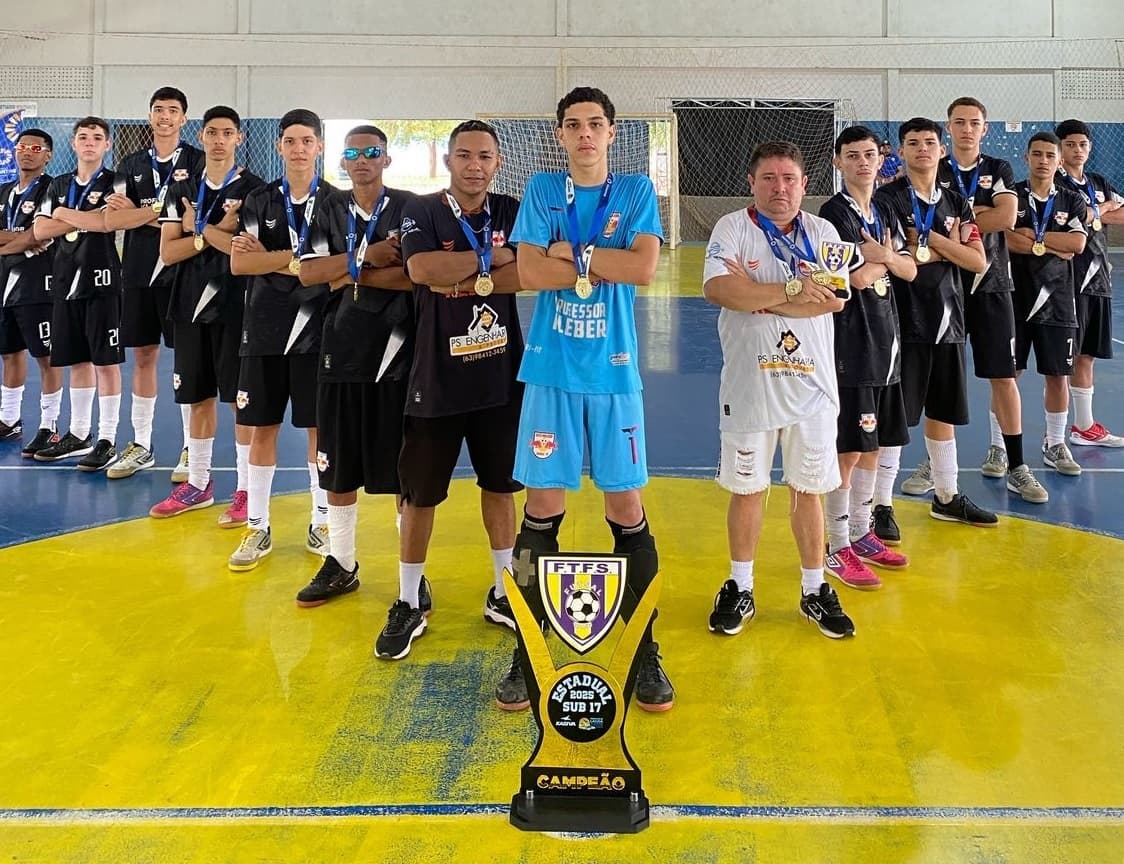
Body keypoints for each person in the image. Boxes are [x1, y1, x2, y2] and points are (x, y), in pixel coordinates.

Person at [505, 86, 673, 712]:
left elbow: (644, 269)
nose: (584, 134)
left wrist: (568, 254)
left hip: (614, 373)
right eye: (573, 124)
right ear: (559, 134)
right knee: (541, 507)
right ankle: (528, 652)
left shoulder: (634, 191)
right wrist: (604, 259)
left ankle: (644, 650)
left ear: (611, 132)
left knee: (626, 507)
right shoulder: (543, 189)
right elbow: (528, 273)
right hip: (551, 371)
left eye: (594, 124)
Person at [375, 119, 524, 660]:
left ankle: (505, 592)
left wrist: (457, 280)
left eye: (484, 156)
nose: (474, 166)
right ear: (448, 160)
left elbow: (527, 272)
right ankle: (408, 599)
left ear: (498, 162)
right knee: (419, 494)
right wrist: (490, 260)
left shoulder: (511, 210)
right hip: (435, 379)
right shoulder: (422, 209)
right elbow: (420, 268)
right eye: (464, 155)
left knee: (501, 487)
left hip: (499, 377)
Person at [703, 140, 854, 639]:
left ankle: (814, 589)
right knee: (748, 489)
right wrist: (791, 290)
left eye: (789, 179)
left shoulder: (823, 232)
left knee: (808, 490)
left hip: (811, 387)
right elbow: (719, 290)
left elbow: (832, 300)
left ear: (805, 185)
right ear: (752, 183)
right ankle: (740, 585)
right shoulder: (731, 228)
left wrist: (756, 298)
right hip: (750, 385)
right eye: (768, 178)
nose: (779, 188)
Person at [291, 124, 415, 608]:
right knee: (337, 467)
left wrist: (347, 272)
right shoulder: (328, 208)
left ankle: (411, 574)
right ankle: (341, 563)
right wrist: (367, 256)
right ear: (342, 161)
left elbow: (414, 276)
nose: (362, 159)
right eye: (353, 152)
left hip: (397, 355)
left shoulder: (409, 208)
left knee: (404, 471)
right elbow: (309, 272)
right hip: (338, 352)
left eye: (372, 151)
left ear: (386, 158)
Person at [227, 109, 336, 571]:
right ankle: (257, 526)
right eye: (290, 141)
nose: (298, 149)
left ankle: (321, 522)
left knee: (318, 430)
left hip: (318, 333)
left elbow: (335, 269)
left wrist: (272, 258)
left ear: (319, 146)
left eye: (306, 141)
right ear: (279, 147)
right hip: (264, 331)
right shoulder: (259, 199)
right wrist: (300, 260)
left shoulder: (335, 202)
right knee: (262, 428)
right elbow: (240, 264)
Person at [924, 97, 1048, 503]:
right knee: (942, 377)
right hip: (945, 287)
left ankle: (1016, 465)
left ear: (984, 128)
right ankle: (935, 465)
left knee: (1004, 377)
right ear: (948, 127)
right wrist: (979, 212)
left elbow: (1007, 217)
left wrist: (954, 221)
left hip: (992, 285)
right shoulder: (935, 169)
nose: (966, 129)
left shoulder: (999, 168)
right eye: (959, 122)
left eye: (974, 122)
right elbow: (923, 223)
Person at [874, 118, 996, 526]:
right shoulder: (887, 200)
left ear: (942, 150)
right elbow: (892, 256)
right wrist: (949, 248)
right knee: (895, 417)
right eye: (913, 143)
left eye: (929, 142)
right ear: (901, 152)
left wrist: (932, 243)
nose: (922, 149)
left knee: (943, 412)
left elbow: (977, 260)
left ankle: (946, 496)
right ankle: (880, 505)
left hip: (949, 320)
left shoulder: (957, 202)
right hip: (903, 321)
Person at [149, 106, 263, 522]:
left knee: (239, 401)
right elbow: (168, 251)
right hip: (188, 306)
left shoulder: (255, 190)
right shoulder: (182, 187)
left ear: (239, 139)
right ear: (200, 136)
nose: (219, 140)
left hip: (237, 308)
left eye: (227, 133)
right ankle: (198, 484)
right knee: (197, 397)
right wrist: (211, 234)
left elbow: (244, 253)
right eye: (212, 132)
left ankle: (247, 490)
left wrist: (197, 228)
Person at [818, 126, 915, 590]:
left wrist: (883, 257)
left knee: (874, 445)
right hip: (853, 344)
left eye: (869, 154)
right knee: (850, 448)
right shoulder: (833, 214)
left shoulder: (885, 208)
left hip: (887, 341)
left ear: (881, 159)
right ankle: (836, 545)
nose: (862, 162)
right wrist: (887, 257)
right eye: (852, 155)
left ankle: (861, 532)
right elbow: (853, 279)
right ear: (838, 161)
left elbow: (910, 268)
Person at [104, 86, 205, 481]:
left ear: (184, 119)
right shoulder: (129, 163)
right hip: (139, 272)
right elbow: (114, 219)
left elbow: (195, 219)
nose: (165, 116)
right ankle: (141, 444)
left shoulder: (197, 162)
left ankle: (190, 448)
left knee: (186, 359)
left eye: (173, 110)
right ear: (149, 116)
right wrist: (165, 213)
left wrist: (142, 212)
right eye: (159, 109)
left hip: (182, 273)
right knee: (143, 357)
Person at [31, 117, 123, 470]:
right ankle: (80, 433)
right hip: (65, 281)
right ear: (73, 144)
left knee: (106, 362)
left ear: (107, 145)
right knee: (77, 361)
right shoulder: (59, 183)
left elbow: (106, 223)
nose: (89, 143)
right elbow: (41, 229)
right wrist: (85, 217)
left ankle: (107, 439)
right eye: (83, 137)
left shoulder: (116, 181)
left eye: (97, 138)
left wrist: (64, 214)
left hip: (102, 281)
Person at [1006, 132, 1087, 477]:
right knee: (1007, 375)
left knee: (1058, 375)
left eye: (1049, 155)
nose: (1043, 161)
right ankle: (999, 446)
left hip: (1058, 301)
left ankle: (1055, 443)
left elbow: (1077, 244)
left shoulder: (1073, 200)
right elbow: (1006, 238)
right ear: (1026, 158)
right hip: (1015, 299)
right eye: (1036, 154)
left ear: (1059, 161)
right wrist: (1054, 245)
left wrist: (1034, 237)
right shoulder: (1011, 197)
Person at [1055, 118, 1124, 448]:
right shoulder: (1055, 183)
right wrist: (1104, 207)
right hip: (1067, 279)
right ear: (1060, 149)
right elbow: (1073, 216)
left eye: (1082, 144)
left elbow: (1119, 214)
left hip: (1099, 278)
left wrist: (1095, 210)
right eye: (1070, 145)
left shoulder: (1098, 181)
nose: (1077, 150)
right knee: (1064, 357)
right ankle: (1055, 433)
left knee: (1088, 354)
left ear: (1090, 147)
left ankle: (1084, 425)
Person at [0, 129, 63, 456]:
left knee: (46, 357)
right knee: (9, 352)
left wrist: (22, 238)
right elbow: (29, 236)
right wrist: (21, 239)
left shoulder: (54, 189)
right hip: (5, 283)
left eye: (35, 148)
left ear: (48, 155)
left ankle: (49, 427)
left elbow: (42, 234)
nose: (27, 152)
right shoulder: (4, 191)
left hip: (39, 284)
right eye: (22, 146)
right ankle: (9, 418)